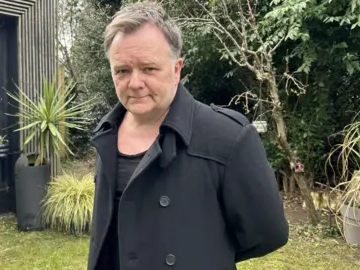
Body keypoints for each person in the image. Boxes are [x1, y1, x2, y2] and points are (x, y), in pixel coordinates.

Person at [88, 2, 289, 269]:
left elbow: (268, 233)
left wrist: (203, 253)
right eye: (122, 70)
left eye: (149, 68)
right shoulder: (106, 134)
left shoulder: (227, 137)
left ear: (176, 69)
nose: (135, 83)